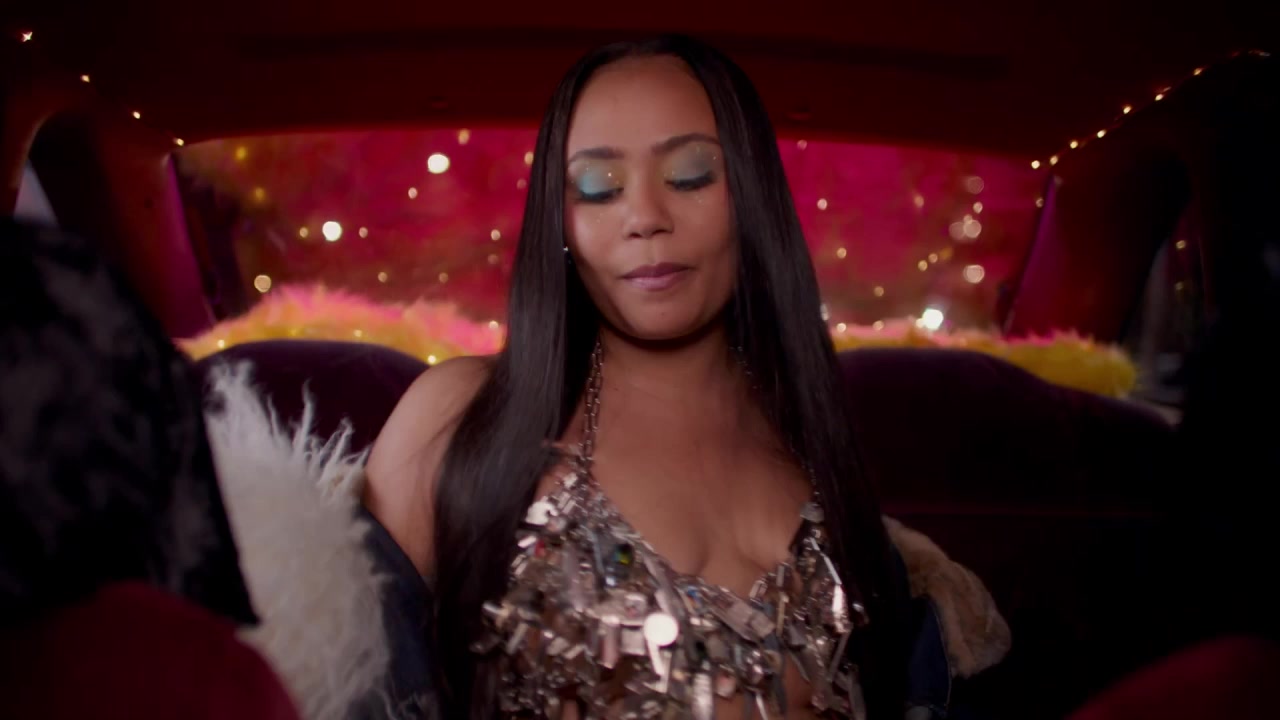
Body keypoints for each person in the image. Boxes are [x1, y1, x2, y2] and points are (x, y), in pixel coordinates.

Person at [365, 35, 1003, 719]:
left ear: (751, 195)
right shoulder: (461, 417)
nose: (645, 218)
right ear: (561, 222)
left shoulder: (818, 449)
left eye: (691, 175)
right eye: (598, 187)